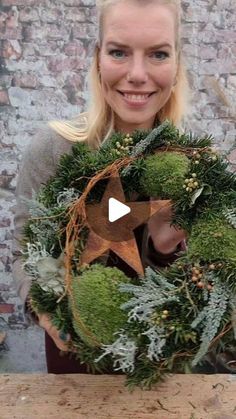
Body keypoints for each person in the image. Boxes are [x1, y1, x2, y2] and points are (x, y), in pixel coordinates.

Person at [13, 0, 189, 373]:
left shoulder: (191, 168)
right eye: (119, 52)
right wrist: (47, 309)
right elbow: (24, 253)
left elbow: (202, 288)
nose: (137, 74)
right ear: (97, 58)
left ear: (177, 64)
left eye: (158, 53)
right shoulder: (54, 150)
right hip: (76, 369)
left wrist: (164, 249)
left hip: (162, 370)